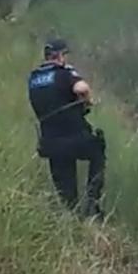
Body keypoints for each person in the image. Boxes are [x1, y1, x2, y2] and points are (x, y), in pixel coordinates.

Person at [28, 38, 106, 218]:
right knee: (98, 148)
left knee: (67, 197)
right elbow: (81, 88)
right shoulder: (64, 73)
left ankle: (74, 222)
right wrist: (87, 101)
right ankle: (92, 203)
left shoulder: (33, 79)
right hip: (75, 138)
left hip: (51, 143)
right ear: (60, 56)